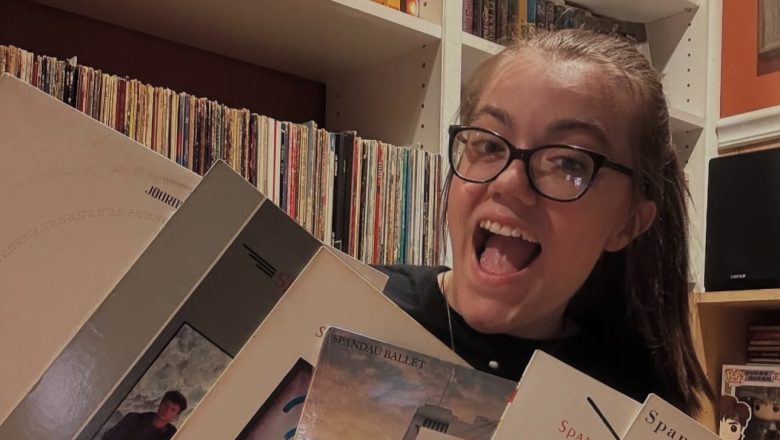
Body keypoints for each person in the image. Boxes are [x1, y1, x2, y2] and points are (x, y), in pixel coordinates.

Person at [377, 28, 713, 416]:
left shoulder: (634, 408)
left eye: (569, 163)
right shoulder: (348, 304)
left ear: (628, 222)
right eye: (489, 144)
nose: (508, 182)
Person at [101, 390, 188, 440]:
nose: (167, 411)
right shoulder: (133, 419)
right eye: (166, 405)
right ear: (160, 404)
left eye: (173, 410)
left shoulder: (172, 435)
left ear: (176, 415)